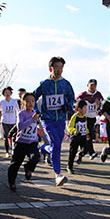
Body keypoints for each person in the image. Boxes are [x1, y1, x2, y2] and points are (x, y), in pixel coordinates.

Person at [33, 56, 75, 186]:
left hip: (60, 119)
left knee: (56, 146)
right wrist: (36, 110)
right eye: (56, 67)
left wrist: (67, 106)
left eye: (61, 67)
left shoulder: (66, 84)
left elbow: (71, 98)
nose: (59, 70)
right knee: (56, 144)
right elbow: (33, 96)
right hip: (47, 119)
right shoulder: (45, 84)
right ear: (51, 68)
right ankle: (58, 175)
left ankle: (43, 149)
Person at [8, 92, 40, 191]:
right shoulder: (21, 113)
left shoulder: (35, 114)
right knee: (15, 163)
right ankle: (12, 182)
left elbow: (35, 127)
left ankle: (28, 167)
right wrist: (31, 119)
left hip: (32, 142)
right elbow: (20, 126)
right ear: (22, 103)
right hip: (21, 142)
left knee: (35, 158)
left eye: (33, 101)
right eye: (28, 101)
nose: (31, 103)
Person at [75, 79, 104, 162]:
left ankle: (81, 153)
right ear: (87, 85)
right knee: (88, 135)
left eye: (94, 85)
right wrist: (79, 111)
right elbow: (75, 103)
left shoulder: (98, 95)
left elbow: (103, 105)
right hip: (84, 118)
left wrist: (99, 104)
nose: (92, 87)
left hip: (92, 118)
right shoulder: (83, 94)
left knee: (89, 136)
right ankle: (91, 152)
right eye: (91, 85)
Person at [0, 86, 19, 158]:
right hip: (4, 121)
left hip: (13, 121)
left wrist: (18, 119)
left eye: (9, 92)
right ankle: (7, 152)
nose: (7, 93)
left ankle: (13, 151)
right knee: (6, 136)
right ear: (3, 94)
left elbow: (18, 111)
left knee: (13, 137)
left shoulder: (14, 101)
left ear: (11, 93)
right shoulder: (2, 102)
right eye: (6, 92)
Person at [67, 100, 89, 174]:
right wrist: (74, 131)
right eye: (85, 108)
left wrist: (88, 133)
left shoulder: (85, 117)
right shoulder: (75, 117)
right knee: (73, 152)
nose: (86, 110)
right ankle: (70, 167)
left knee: (86, 149)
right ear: (79, 109)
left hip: (83, 137)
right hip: (75, 137)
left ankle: (80, 155)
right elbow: (70, 127)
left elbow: (85, 127)